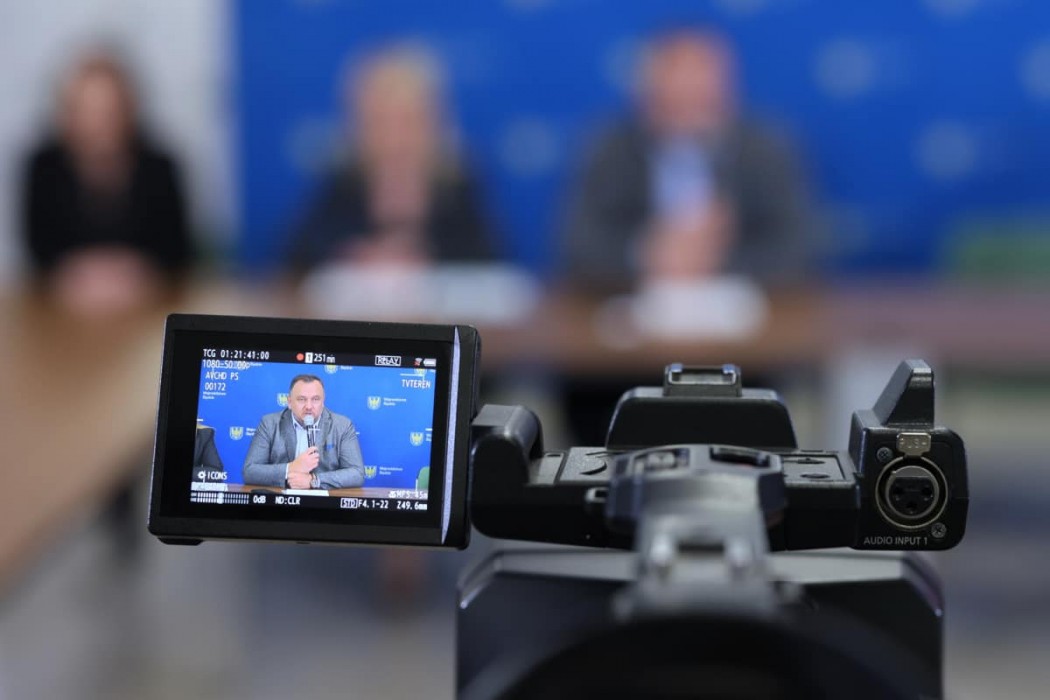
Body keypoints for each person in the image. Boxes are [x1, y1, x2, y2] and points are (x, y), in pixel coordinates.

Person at [563, 28, 813, 288]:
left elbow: (798, 247)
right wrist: (646, 255)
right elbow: (578, 245)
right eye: (674, 104)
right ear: (644, 97)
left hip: (741, 301)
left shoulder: (765, 149)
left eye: (700, 102)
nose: (687, 118)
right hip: (634, 300)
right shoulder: (609, 148)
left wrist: (710, 262)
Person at [286, 44, 495, 274]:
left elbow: (491, 266)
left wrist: (424, 258)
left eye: (407, 121)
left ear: (433, 121)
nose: (394, 139)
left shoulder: (458, 183)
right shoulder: (340, 180)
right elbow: (295, 265)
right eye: (380, 122)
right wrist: (349, 256)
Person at [21, 50, 193, 314]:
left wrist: (136, 272)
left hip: (148, 310)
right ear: (67, 113)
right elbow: (38, 250)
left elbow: (177, 251)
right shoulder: (43, 166)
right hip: (61, 311)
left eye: (108, 111)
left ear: (128, 109)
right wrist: (78, 273)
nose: (98, 124)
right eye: (87, 111)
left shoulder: (160, 166)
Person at [243, 374, 365, 489]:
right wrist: (291, 467)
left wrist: (314, 480)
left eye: (315, 399)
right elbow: (249, 471)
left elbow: (357, 473)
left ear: (323, 402)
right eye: (301, 399)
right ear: (289, 402)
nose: (309, 406)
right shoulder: (269, 424)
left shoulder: (342, 426)